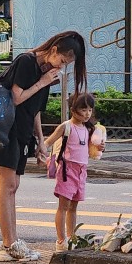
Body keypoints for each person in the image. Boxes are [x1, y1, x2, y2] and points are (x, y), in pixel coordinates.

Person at [0, 30, 87, 262]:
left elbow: (35, 111)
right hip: (4, 131)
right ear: (53, 50)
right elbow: (17, 97)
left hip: (21, 133)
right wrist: (42, 82)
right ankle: (7, 244)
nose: (61, 67)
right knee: (7, 186)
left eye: (66, 65)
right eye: (62, 61)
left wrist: (41, 140)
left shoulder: (46, 73)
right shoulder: (26, 62)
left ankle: (13, 242)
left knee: (13, 186)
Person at [43, 92, 103, 252]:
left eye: (90, 110)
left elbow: (92, 150)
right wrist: (41, 153)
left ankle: (71, 237)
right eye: (83, 110)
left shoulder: (88, 129)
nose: (87, 113)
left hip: (81, 170)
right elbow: (49, 141)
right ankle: (61, 240)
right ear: (73, 109)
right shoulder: (66, 126)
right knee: (63, 206)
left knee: (73, 207)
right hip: (67, 169)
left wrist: (100, 148)